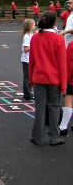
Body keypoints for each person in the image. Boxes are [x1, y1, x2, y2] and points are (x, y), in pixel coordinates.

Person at [29, 12, 67, 146]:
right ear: (54, 23)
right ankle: (54, 137)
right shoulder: (59, 39)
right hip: (54, 80)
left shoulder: (35, 38)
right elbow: (62, 64)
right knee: (54, 108)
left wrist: (31, 79)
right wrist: (63, 85)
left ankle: (37, 137)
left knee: (39, 109)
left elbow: (31, 61)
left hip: (39, 78)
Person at [58, 41, 73, 136]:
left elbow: (69, 64)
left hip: (72, 79)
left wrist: (65, 80)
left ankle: (63, 126)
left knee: (68, 100)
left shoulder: (71, 45)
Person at [21, 19, 35, 100]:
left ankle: (29, 92)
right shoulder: (27, 36)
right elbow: (26, 48)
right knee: (27, 77)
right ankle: (27, 94)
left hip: (30, 58)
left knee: (30, 77)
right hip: (27, 59)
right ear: (30, 27)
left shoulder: (31, 35)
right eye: (33, 25)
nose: (35, 26)